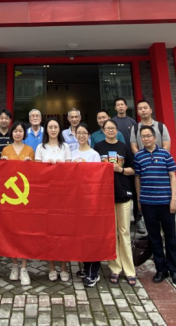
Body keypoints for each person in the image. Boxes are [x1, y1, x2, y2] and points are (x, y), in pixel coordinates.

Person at [134, 125, 176, 285]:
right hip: (148, 203)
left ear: (155, 137)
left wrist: (173, 199)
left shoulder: (165, 154)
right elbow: (137, 178)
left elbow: (173, 177)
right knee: (154, 238)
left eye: (148, 136)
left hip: (166, 203)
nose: (146, 138)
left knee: (170, 238)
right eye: (143, 136)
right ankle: (161, 269)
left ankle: (174, 270)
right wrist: (139, 200)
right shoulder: (138, 156)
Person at [93, 119, 137, 287]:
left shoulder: (124, 147)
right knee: (112, 232)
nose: (110, 130)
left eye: (113, 128)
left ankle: (130, 270)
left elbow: (133, 169)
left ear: (117, 130)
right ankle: (115, 268)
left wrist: (121, 170)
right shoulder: (98, 147)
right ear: (103, 130)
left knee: (124, 232)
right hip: (106, 195)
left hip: (123, 192)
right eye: (107, 128)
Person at [35, 117, 72, 281]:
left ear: (59, 129)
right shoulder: (40, 147)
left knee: (63, 230)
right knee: (48, 231)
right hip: (46, 194)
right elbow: (36, 171)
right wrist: (46, 166)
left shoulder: (65, 147)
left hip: (63, 194)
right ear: (46, 129)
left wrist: (60, 166)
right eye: (50, 127)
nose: (53, 130)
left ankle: (63, 267)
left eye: (56, 127)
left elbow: (70, 170)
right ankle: (51, 267)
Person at [0, 122, 35, 285]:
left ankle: (24, 267)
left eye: (20, 131)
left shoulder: (30, 150)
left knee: (25, 231)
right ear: (12, 133)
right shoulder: (6, 150)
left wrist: (31, 164)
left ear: (24, 133)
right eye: (15, 131)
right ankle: (14, 264)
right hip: (10, 198)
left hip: (26, 196)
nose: (18, 133)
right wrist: (2, 162)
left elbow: (36, 174)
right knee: (11, 231)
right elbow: (1, 174)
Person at [71, 122, 103, 287]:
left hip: (91, 200)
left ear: (89, 135)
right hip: (76, 201)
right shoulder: (71, 153)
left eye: (84, 133)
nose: (81, 135)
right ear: (75, 135)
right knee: (81, 235)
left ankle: (94, 271)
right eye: (79, 133)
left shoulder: (94, 155)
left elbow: (97, 178)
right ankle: (86, 266)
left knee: (92, 235)